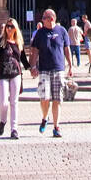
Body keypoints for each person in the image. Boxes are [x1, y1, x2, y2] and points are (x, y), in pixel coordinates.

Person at [30, 8, 72, 138]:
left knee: (57, 99)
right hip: (44, 69)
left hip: (59, 69)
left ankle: (56, 126)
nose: (41, 19)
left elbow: (67, 49)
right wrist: (32, 66)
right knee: (44, 98)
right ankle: (44, 117)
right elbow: (34, 51)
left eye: (44, 17)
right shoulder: (40, 33)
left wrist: (70, 66)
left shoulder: (62, 31)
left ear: (51, 19)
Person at [0, 19, 29, 139]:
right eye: (8, 26)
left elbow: (23, 59)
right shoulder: (1, 42)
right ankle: (3, 121)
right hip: (2, 75)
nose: (9, 28)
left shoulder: (19, 42)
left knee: (14, 102)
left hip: (16, 74)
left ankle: (14, 129)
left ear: (16, 28)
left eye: (11, 26)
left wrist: (31, 69)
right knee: (3, 102)